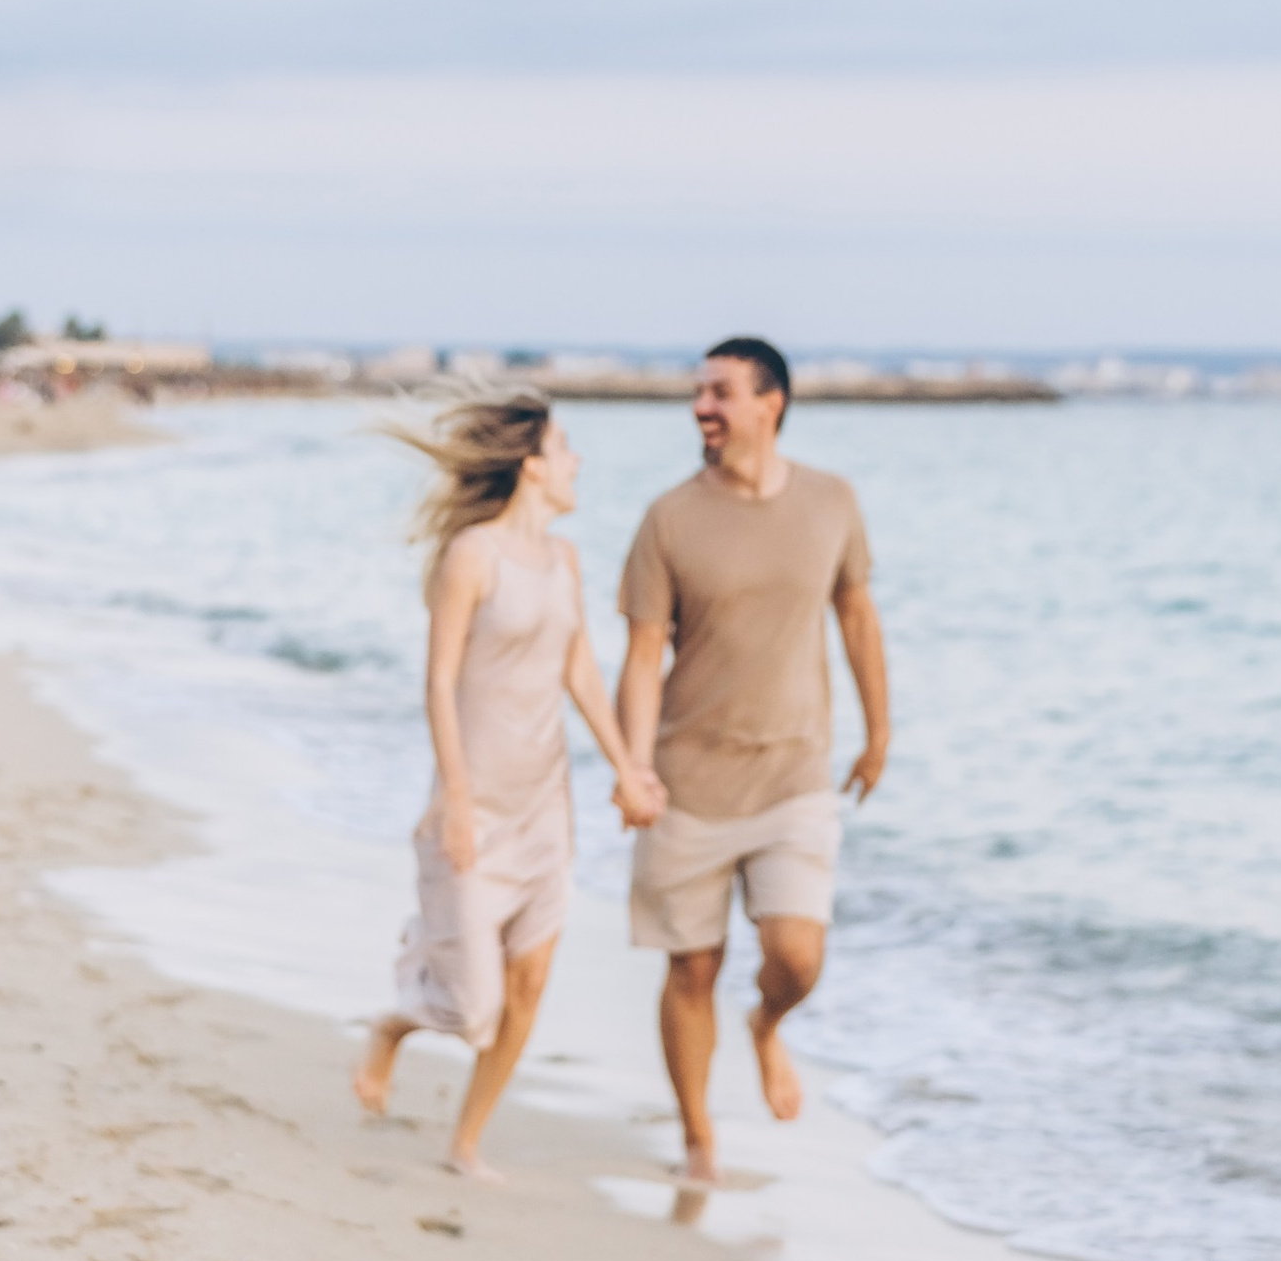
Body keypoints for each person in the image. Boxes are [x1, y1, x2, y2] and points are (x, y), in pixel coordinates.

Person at [354, 389, 660, 1176]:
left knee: (528, 988)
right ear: (531, 466)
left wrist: (628, 769)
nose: (576, 460)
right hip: (475, 804)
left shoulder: (565, 560)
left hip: (544, 807)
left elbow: (581, 673)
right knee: (475, 1008)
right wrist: (456, 802)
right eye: (564, 448)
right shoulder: (474, 556)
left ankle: (466, 1141)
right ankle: (395, 1022)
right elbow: (438, 682)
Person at [616, 335, 889, 1184]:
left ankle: (767, 1026)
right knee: (693, 967)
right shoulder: (669, 517)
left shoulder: (832, 501)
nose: (702, 406)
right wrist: (633, 766)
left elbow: (856, 616)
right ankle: (699, 1140)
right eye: (699, 392)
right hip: (689, 782)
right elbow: (642, 656)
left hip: (795, 775)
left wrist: (879, 732)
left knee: (797, 957)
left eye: (721, 392)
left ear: (771, 404)